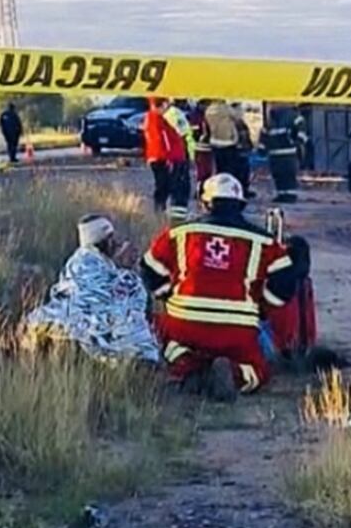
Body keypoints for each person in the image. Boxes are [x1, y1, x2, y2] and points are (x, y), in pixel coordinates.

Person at [140, 173, 304, 400]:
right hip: (237, 330)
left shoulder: (180, 234)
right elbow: (285, 283)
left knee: (158, 333)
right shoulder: (265, 242)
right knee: (257, 372)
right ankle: (239, 372)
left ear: (205, 202)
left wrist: (168, 296)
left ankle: (187, 366)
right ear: (241, 203)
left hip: (185, 324)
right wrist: (263, 308)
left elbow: (149, 268)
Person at [26, 214, 160, 363]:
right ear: (102, 241)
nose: (115, 242)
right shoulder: (85, 261)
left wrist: (119, 267)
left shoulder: (89, 258)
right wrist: (128, 272)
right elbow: (105, 292)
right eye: (110, 237)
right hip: (88, 316)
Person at [143, 97, 190, 220]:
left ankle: (160, 211)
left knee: (162, 186)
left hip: (156, 157)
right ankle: (170, 214)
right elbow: (164, 140)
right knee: (171, 186)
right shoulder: (159, 119)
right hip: (167, 157)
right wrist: (169, 157)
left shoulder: (149, 118)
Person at [204, 99, 250, 198]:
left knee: (220, 169)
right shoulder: (225, 109)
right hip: (228, 142)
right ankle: (231, 191)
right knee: (231, 169)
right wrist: (237, 106)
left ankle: (221, 190)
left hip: (215, 141)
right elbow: (238, 116)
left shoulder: (209, 110)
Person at [259, 106, 300, 203]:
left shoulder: (273, 120)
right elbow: (264, 134)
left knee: (284, 175)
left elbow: (301, 132)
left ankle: (287, 195)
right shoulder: (290, 117)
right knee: (282, 175)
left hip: (281, 153)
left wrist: (262, 149)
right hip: (283, 153)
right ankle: (284, 194)